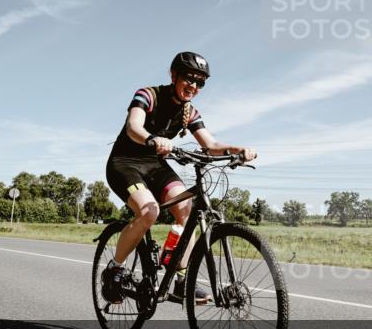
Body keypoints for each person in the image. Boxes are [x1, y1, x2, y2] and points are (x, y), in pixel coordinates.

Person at [104, 52, 257, 304]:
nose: (194, 86)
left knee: (186, 208)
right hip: (124, 163)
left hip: (155, 165)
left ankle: (181, 279)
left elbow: (210, 144)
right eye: (189, 78)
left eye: (200, 82)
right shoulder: (148, 95)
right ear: (174, 75)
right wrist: (152, 139)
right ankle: (114, 270)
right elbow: (133, 127)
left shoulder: (189, 111)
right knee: (149, 212)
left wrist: (238, 149)